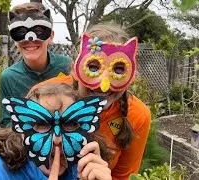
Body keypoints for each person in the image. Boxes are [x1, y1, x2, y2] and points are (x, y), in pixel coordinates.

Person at [29, 24, 151, 180]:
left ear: (131, 76)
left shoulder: (137, 116)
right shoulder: (44, 96)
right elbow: (20, 153)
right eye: (93, 67)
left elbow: (123, 176)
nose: (103, 84)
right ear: (75, 69)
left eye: (118, 69)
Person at [0, 83, 112, 180]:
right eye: (42, 124)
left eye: (70, 124)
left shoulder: (86, 166)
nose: (57, 139)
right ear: (22, 132)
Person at [0, 2, 72, 127]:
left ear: (50, 36)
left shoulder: (68, 67)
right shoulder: (9, 77)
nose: (30, 39)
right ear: (15, 40)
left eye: (39, 31)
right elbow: (7, 122)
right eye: (20, 32)